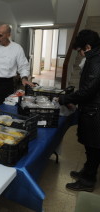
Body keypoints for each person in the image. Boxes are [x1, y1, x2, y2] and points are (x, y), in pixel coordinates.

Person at [59, 29, 100, 192]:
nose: (81, 54)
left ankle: (88, 180)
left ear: (88, 47)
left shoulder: (96, 61)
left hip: (96, 112)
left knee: (94, 147)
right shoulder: (94, 57)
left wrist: (65, 99)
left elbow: (88, 90)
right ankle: (87, 172)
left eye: (80, 51)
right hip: (92, 109)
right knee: (91, 147)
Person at [0, 24, 34, 106]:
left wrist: (24, 78)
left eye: (0, 35)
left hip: (7, 84)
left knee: (6, 109)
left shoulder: (17, 48)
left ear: (9, 35)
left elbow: (23, 66)